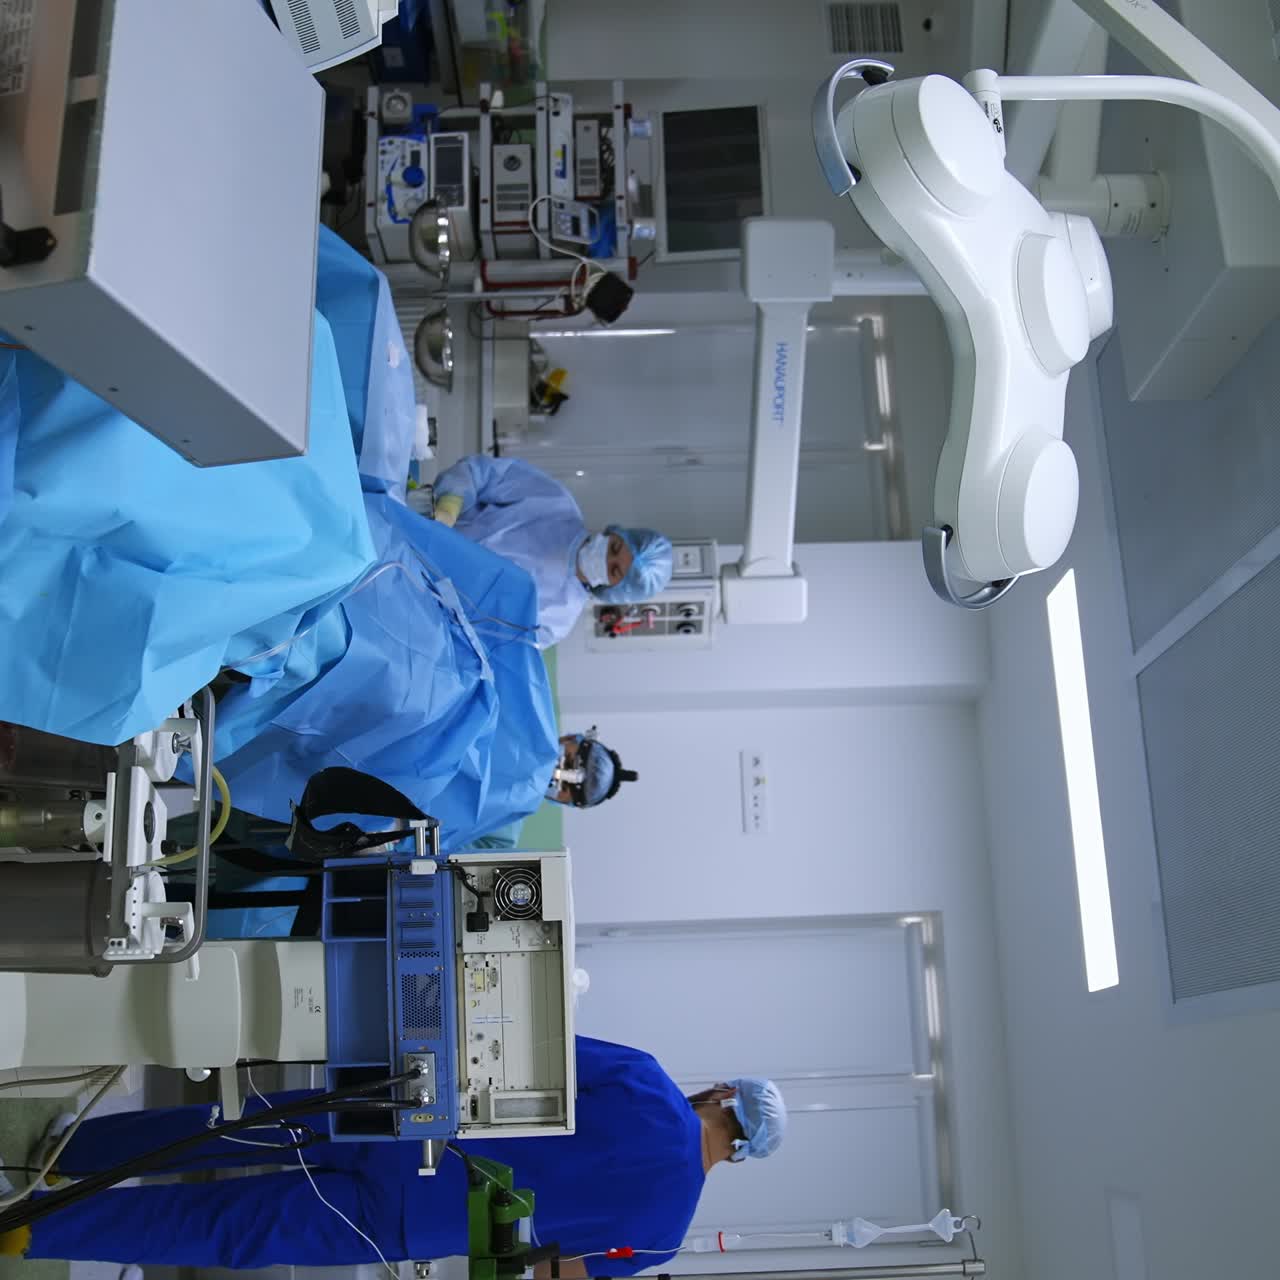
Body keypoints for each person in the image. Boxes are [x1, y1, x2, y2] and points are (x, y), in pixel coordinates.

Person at [1, 1038, 787, 1272]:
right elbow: (553, 1272)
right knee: (227, 1230)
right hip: (416, 1223)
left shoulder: (647, 1081)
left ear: (721, 1094)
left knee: (238, 1126)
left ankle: (61, 1150)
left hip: (408, 1124)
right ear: (741, 1154)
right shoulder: (663, 1232)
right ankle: (34, 1231)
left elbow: (527, 1049)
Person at [431, 455, 674, 648]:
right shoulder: (554, 503)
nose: (605, 557)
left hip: (426, 600)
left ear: (614, 590)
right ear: (615, 532)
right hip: (424, 524)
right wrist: (451, 501)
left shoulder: (556, 621)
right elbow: (482, 474)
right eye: (614, 547)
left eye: (613, 569)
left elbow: (486, 649)